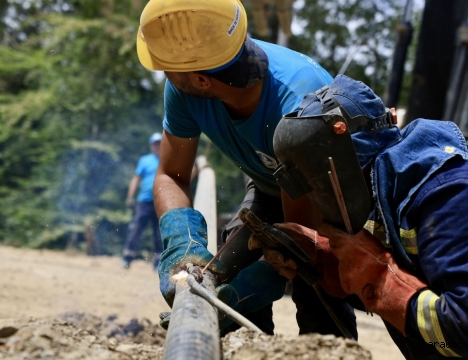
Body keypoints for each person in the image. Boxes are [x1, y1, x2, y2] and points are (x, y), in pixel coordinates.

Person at [258, 75, 468, 358]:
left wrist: (378, 276)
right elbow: (422, 289)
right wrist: (328, 262)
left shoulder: (454, 199)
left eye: (319, 187)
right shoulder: (392, 199)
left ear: (344, 169)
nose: (318, 204)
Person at [136, 0, 355, 336]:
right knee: (225, 271)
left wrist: (268, 273)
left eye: (167, 68)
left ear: (201, 79)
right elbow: (171, 175)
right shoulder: (186, 88)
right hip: (272, 183)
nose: (165, 75)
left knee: (318, 285)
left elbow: (299, 238)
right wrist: (182, 240)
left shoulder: (298, 104)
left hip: (332, 200)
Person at [121, 132, 163, 270]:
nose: (157, 146)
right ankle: (127, 258)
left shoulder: (167, 160)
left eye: (159, 144)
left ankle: (158, 263)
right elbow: (136, 179)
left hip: (160, 202)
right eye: (155, 144)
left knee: (159, 233)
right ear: (151, 146)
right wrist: (130, 196)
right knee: (136, 229)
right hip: (144, 202)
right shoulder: (144, 160)